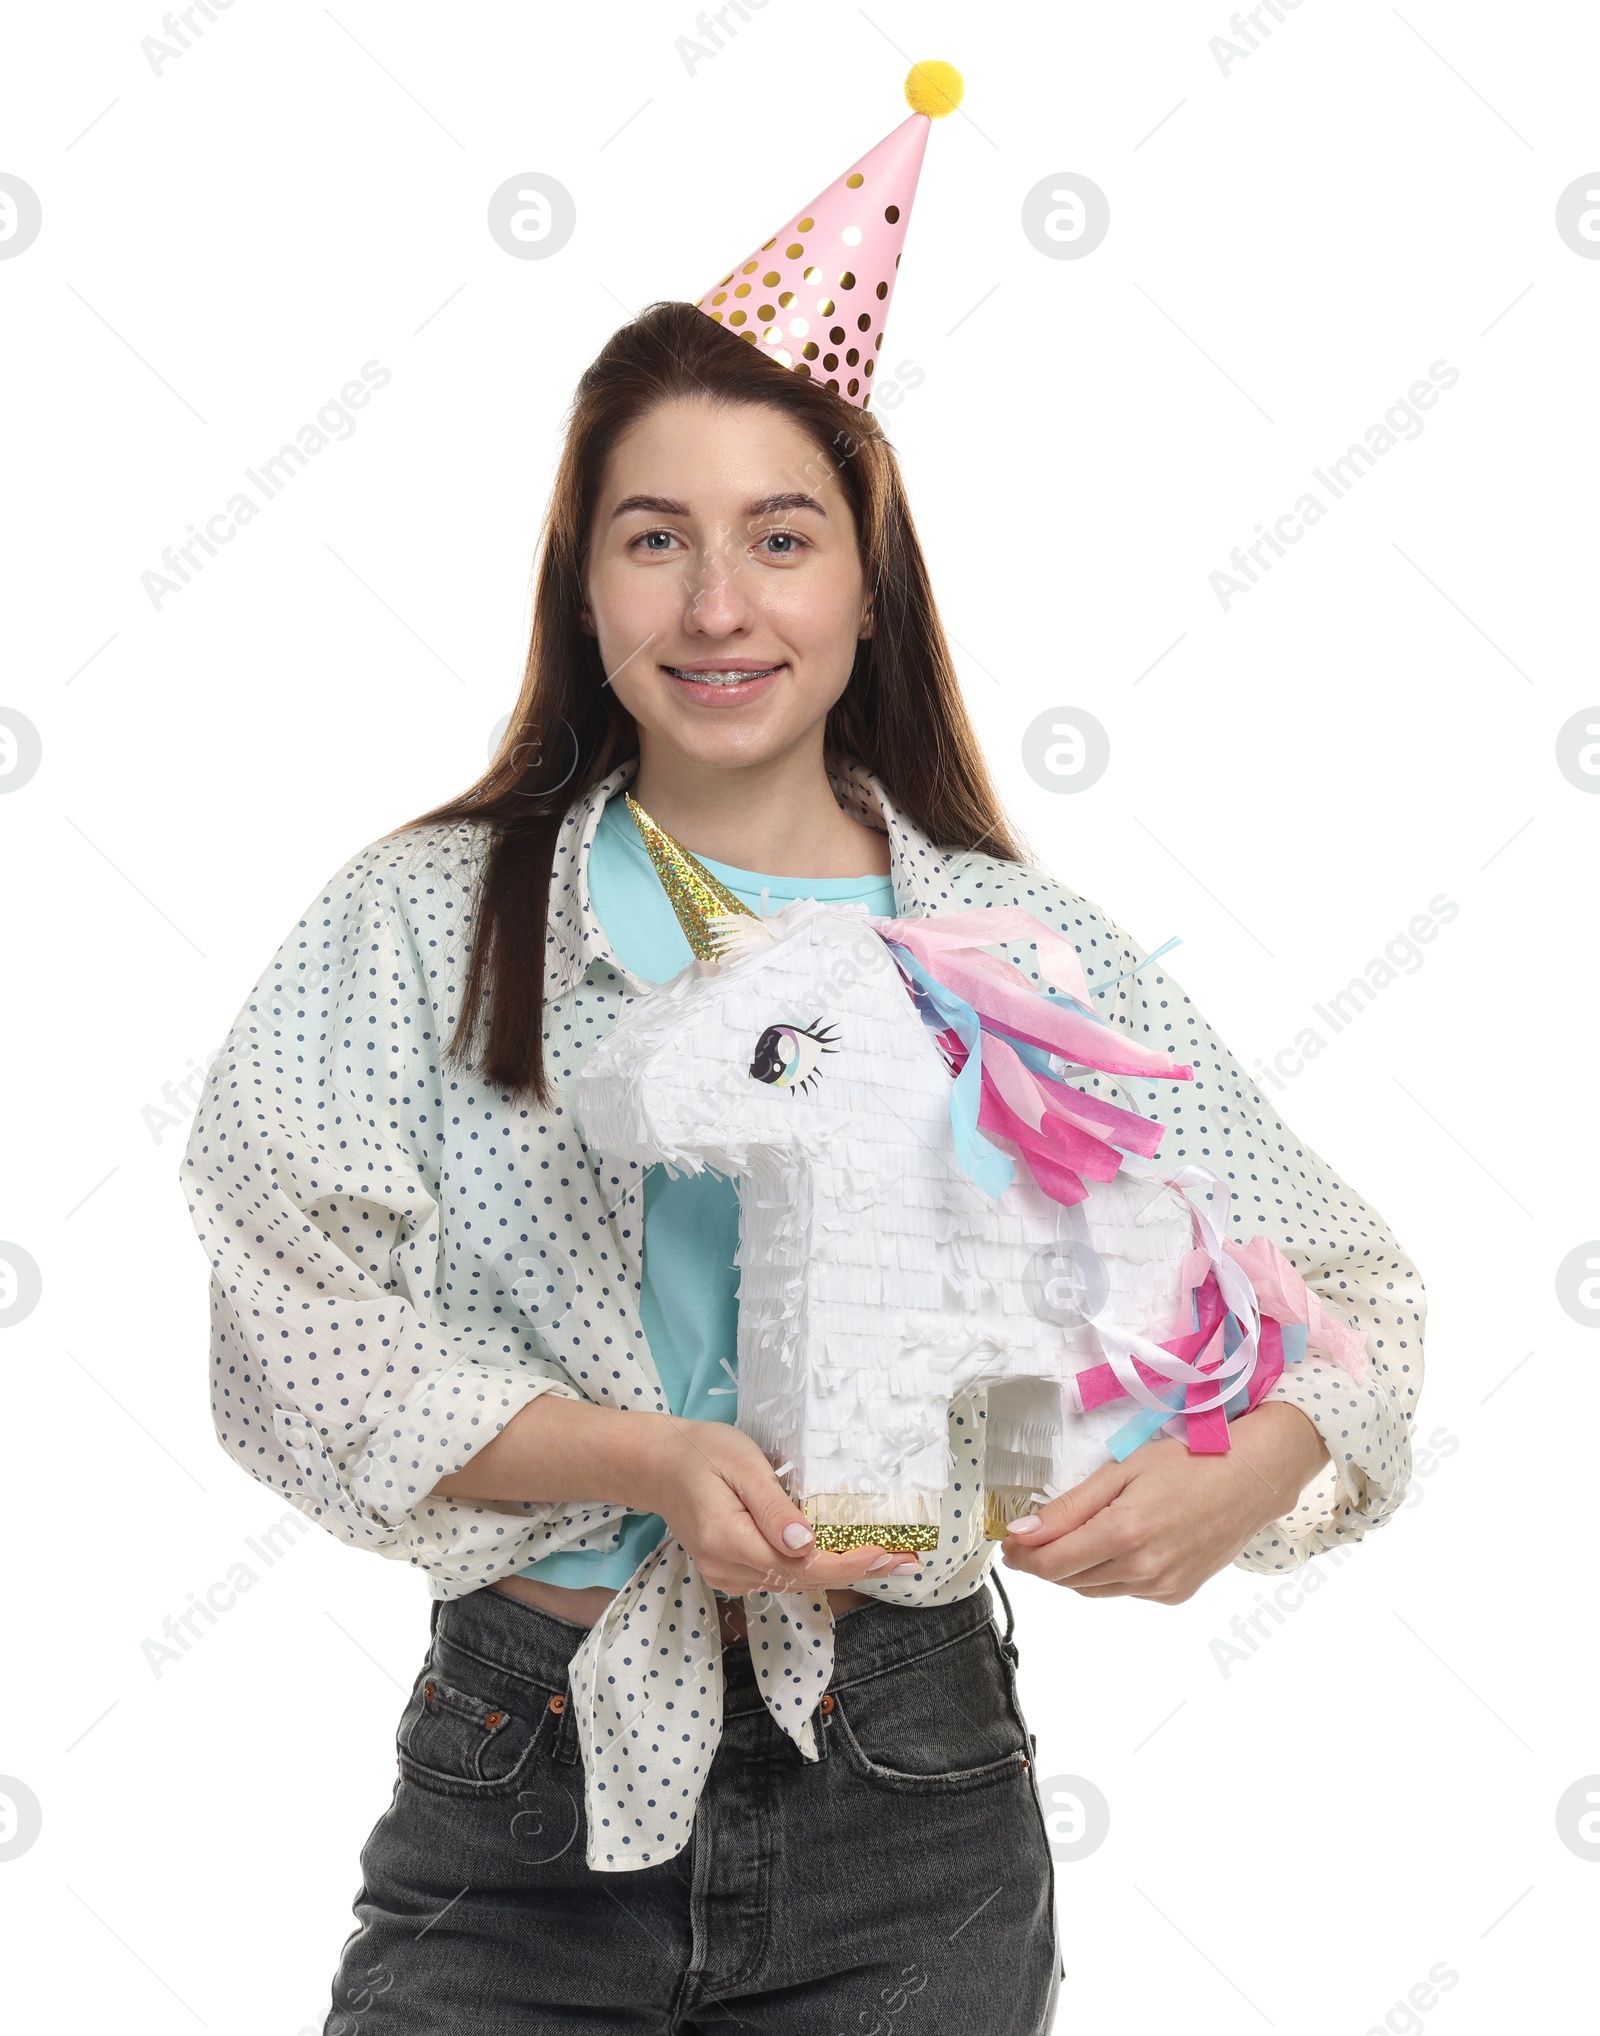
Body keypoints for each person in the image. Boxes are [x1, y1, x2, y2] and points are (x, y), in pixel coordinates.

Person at [178, 69, 1425, 2036]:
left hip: (909, 1801)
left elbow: (1346, 1293)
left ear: (863, 585)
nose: (716, 601)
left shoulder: (1018, 954)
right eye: (652, 538)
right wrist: (638, 1458)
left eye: (779, 537)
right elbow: (288, 1305)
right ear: (583, 588)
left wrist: (1245, 1459)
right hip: (533, 1763)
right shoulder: (434, 917)